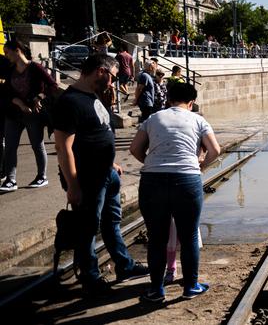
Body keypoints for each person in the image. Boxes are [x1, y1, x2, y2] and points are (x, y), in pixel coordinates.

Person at [53, 55, 148, 296]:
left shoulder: (92, 96)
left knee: (111, 224)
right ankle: (90, 276)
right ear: (100, 71)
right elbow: (63, 148)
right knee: (87, 229)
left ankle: (124, 266)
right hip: (87, 179)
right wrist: (73, 185)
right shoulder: (69, 102)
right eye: (113, 77)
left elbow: (96, 132)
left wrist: (111, 162)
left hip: (106, 174)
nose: (113, 83)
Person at [129, 82, 221, 302]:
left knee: (157, 237)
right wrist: (199, 166)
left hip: (152, 181)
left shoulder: (153, 118)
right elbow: (215, 150)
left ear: (168, 99)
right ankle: (190, 287)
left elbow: (134, 149)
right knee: (188, 236)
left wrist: (152, 163)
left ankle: (156, 290)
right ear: (191, 103)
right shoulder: (198, 119)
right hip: (186, 180)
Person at [0, 40, 57, 192]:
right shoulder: (9, 69)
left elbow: (53, 85)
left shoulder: (35, 67)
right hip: (13, 113)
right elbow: (5, 91)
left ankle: (42, 176)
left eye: (7, 52)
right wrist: (18, 102)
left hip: (33, 114)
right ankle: (11, 180)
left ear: (17, 50)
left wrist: (39, 97)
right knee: (10, 147)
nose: (6, 56)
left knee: (37, 145)